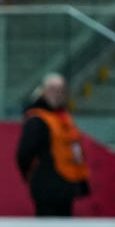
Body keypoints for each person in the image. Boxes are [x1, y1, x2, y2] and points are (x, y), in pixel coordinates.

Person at [16, 73, 90, 217]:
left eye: (61, 90)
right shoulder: (37, 119)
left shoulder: (63, 116)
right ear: (43, 91)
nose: (57, 94)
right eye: (52, 90)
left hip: (67, 186)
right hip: (46, 186)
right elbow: (24, 153)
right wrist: (32, 176)